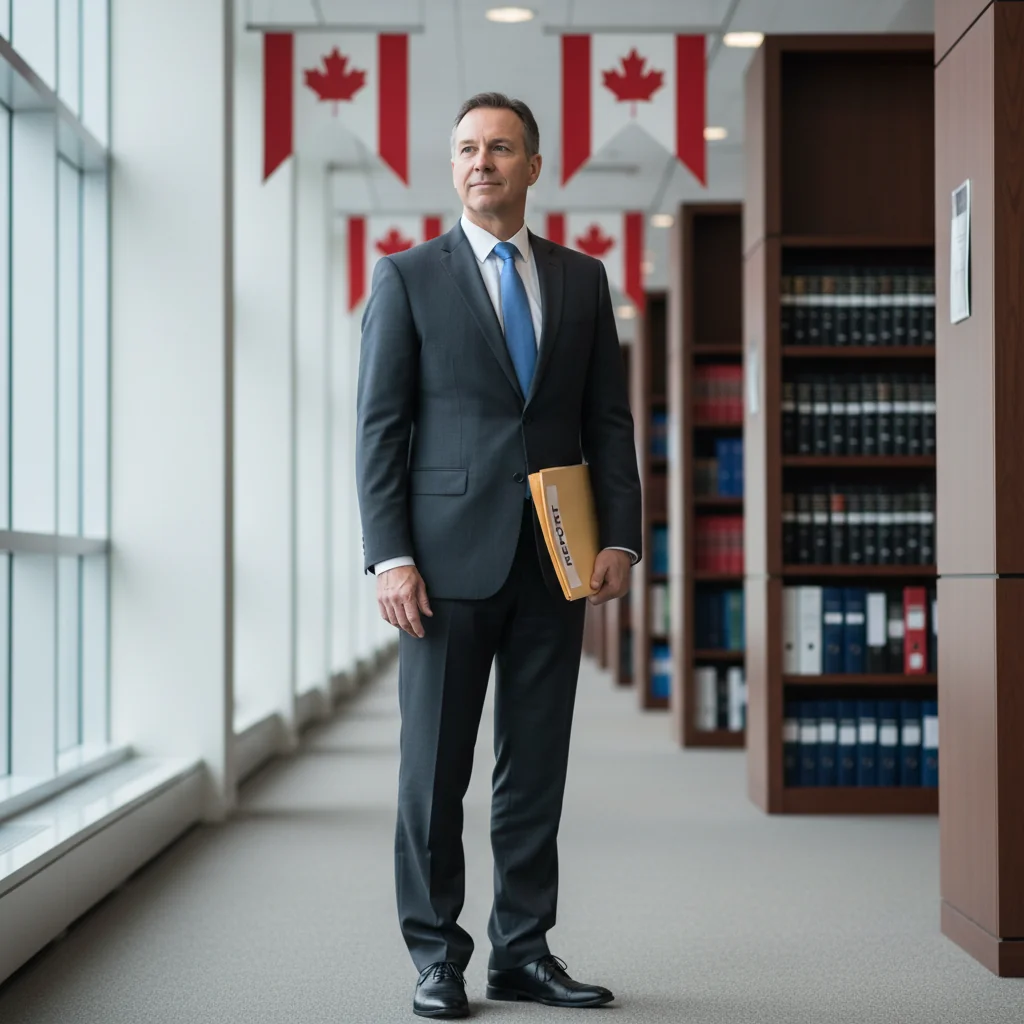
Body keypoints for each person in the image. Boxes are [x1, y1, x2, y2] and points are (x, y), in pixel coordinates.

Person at [355, 92, 642, 1019]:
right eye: (469, 149)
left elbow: (608, 423)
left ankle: (523, 950)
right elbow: (380, 431)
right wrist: (389, 555)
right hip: (440, 570)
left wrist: (622, 537)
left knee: (535, 768)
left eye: (503, 148)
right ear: (454, 167)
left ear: (533, 165)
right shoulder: (406, 277)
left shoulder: (582, 279)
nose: (484, 161)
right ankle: (437, 955)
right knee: (433, 772)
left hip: (554, 562)